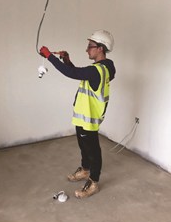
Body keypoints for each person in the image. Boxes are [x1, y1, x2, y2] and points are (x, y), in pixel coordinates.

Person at [40, 30, 116, 199]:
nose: (87, 49)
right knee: (84, 146)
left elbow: (72, 74)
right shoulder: (105, 67)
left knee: (93, 150)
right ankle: (85, 169)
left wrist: (49, 57)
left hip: (89, 117)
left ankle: (93, 181)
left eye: (90, 46)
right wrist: (67, 61)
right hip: (83, 115)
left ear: (101, 48)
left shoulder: (97, 70)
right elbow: (79, 73)